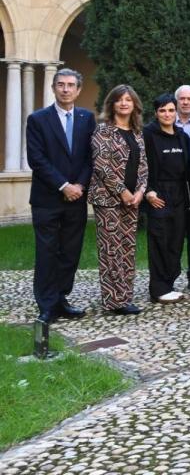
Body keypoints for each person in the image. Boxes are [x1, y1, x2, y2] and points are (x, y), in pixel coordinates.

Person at [26, 68, 95, 324]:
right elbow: (37, 160)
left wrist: (79, 185)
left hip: (76, 198)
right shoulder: (37, 119)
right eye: (61, 84)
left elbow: (91, 157)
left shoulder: (88, 119)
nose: (65, 89)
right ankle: (46, 305)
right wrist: (63, 185)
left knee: (69, 252)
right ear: (53, 88)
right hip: (47, 198)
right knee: (47, 251)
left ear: (78, 90)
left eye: (71, 85)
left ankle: (61, 298)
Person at [89, 85, 149, 315]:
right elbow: (101, 166)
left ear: (134, 105)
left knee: (127, 247)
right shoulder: (103, 131)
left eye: (128, 100)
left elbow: (144, 166)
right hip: (108, 199)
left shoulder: (136, 132)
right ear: (111, 104)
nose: (124, 103)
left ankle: (125, 296)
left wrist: (140, 192)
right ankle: (113, 301)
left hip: (133, 199)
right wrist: (122, 192)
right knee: (111, 250)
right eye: (119, 100)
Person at [142, 94, 189, 304]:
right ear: (156, 113)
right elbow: (141, 166)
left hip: (179, 194)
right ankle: (158, 288)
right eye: (162, 110)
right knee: (160, 240)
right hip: (158, 194)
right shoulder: (148, 135)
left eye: (171, 110)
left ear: (176, 112)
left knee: (175, 241)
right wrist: (148, 191)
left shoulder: (181, 136)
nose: (167, 114)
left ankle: (169, 283)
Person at [173, 84, 190, 292]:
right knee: (171, 235)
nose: (185, 102)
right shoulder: (165, 122)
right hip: (171, 187)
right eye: (182, 99)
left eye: (189, 99)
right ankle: (169, 276)